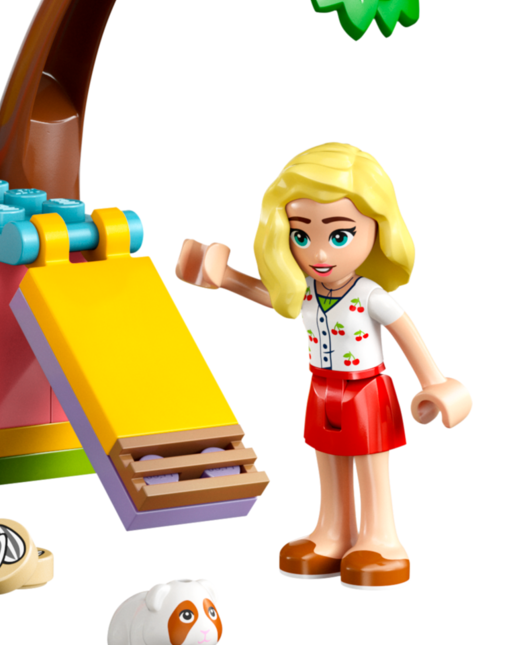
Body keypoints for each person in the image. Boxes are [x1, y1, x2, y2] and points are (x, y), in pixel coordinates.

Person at [174, 142, 472, 591]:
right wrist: (223, 277)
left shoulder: (370, 295)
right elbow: (269, 297)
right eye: (301, 236)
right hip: (321, 388)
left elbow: (407, 334)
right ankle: (332, 534)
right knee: (327, 461)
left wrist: (434, 383)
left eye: (339, 235)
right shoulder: (308, 293)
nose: (318, 253)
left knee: (371, 465)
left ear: (378, 229)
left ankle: (383, 540)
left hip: (366, 390)